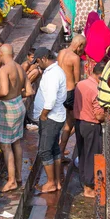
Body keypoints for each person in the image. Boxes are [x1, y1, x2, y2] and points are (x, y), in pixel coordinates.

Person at [0, 44, 34, 192]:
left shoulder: (5, 69)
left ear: (3, 54)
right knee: (16, 142)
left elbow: (3, 91)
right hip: (18, 105)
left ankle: (11, 181)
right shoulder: (20, 68)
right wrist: (16, 95)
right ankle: (18, 176)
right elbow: (29, 92)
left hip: (8, 108)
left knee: (5, 145)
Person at [31, 47, 67, 193]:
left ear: (45, 58)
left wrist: (44, 114)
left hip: (51, 117)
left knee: (44, 151)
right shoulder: (53, 71)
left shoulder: (53, 75)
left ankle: (51, 182)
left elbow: (51, 99)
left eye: (38, 61)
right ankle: (57, 181)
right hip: (55, 116)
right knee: (54, 149)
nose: (38, 64)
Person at [73, 62, 105, 198]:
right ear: (100, 76)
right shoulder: (97, 90)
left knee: (83, 153)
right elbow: (98, 114)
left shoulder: (80, 84)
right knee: (92, 155)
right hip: (91, 124)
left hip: (79, 123)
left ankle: (84, 181)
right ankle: (89, 187)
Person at [58, 35, 85, 163]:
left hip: (59, 91)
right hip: (69, 93)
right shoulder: (75, 58)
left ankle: (60, 147)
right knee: (70, 124)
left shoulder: (61, 52)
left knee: (65, 123)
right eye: (83, 48)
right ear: (79, 45)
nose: (82, 51)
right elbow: (77, 81)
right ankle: (60, 151)